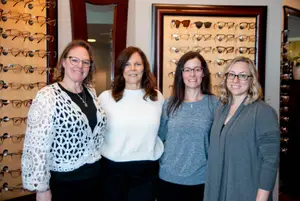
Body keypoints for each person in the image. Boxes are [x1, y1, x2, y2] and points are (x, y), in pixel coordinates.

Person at [21, 40, 107, 201]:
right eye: (74, 60)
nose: (79, 66)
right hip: (65, 183)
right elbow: (36, 146)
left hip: (95, 179)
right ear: (63, 62)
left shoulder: (92, 92)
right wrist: (42, 188)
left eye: (85, 62)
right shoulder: (47, 96)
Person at [203, 56, 280, 201]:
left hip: (246, 192)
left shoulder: (263, 112)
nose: (236, 80)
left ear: (252, 80)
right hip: (217, 190)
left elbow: (270, 161)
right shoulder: (221, 109)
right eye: (231, 75)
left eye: (243, 76)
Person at [98, 46, 164, 201]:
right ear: (121, 69)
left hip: (146, 172)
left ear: (145, 68)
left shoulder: (157, 97)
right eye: (127, 64)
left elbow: (164, 131)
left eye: (138, 64)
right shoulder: (105, 98)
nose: (132, 69)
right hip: (112, 170)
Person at [156, 51, 218, 201]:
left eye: (197, 69)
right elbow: (160, 138)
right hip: (168, 178)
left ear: (203, 73)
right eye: (187, 70)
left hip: (200, 180)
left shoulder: (214, 104)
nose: (192, 74)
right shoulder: (169, 104)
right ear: (181, 74)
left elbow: (218, 142)